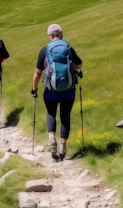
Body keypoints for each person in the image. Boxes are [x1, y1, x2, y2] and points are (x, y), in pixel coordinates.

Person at [31, 23, 83, 161]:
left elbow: (37, 73)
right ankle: (63, 147)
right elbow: (79, 64)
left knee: (51, 114)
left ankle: (51, 138)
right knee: (65, 117)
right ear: (61, 34)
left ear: (49, 36)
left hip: (51, 91)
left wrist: (34, 89)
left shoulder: (45, 50)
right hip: (69, 91)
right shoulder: (69, 48)